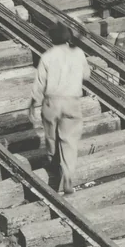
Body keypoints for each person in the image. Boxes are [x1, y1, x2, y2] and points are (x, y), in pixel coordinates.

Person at [28, 22, 90, 195]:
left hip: (52, 102)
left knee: (51, 138)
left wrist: (33, 103)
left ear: (52, 39)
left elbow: (39, 83)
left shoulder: (47, 56)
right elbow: (87, 75)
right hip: (72, 102)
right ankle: (68, 175)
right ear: (68, 38)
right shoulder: (78, 53)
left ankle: (54, 169)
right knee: (69, 141)